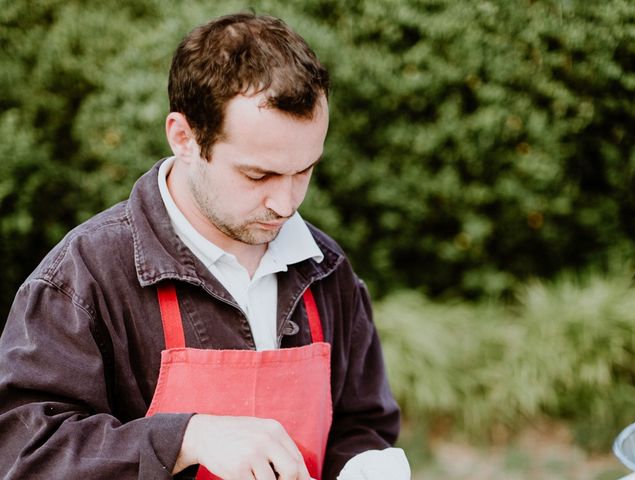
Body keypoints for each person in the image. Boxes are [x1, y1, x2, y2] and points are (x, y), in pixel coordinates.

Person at [0, 12, 401, 480]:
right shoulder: (82, 276)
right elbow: (24, 453)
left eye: (305, 170)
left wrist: (362, 464)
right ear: (184, 138)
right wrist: (185, 440)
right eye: (259, 175)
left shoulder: (327, 269)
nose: (287, 202)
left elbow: (363, 424)